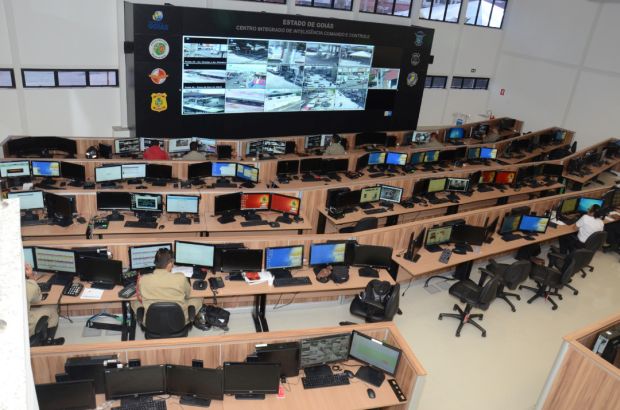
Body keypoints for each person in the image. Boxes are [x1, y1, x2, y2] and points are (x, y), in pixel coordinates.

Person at [132, 248, 202, 324]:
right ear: (170, 264)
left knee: (133, 302)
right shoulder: (180, 278)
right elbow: (187, 296)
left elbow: (140, 296)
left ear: (155, 262)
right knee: (199, 299)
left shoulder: (143, 279)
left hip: (152, 321)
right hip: (178, 319)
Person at [25, 264, 64, 345]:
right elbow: (37, 299)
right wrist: (30, 276)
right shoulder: (26, 286)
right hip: (24, 328)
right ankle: (48, 342)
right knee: (52, 307)